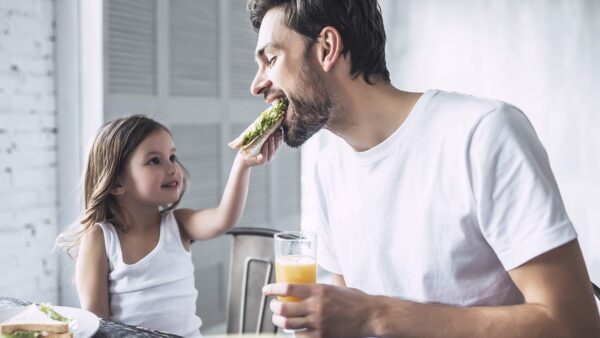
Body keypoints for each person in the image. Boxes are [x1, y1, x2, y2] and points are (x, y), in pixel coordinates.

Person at [246, 0, 600, 337]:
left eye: (271, 59)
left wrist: (374, 314)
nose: (257, 84)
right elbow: (347, 320)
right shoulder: (328, 169)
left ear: (326, 48)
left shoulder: (484, 133)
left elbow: (575, 324)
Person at [56, 115, 282, 337]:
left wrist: (243, 163)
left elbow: (224, 219)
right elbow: (97, 324)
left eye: (172, 157)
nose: (173, 168)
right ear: (116, 183)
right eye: (154, 160)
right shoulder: (100, 239)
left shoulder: (179, 224)